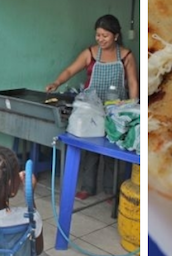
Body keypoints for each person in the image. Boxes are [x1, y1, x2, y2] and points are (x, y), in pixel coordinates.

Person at [45, 15, 139, 199]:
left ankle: (111, 189)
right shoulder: (91, 53)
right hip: (91, 110)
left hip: (116, 111)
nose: (100, 39)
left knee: (113, 148)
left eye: (105, 35)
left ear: (116, 36)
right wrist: (56, 82)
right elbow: (71, 70)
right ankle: (88, 186)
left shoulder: (126, 55)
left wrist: (133, 104)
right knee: (90, 148)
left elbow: (133, 82)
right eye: (98, 35)